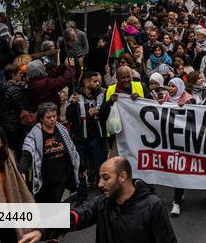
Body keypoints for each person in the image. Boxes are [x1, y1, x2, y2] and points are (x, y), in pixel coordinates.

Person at [19, 156, 177, 243]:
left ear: (122, 177)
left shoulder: (153, 205)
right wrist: (42, 231)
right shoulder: (102, 203)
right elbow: (76, 215)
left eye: (106, 178)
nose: (100, 184)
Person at [19, 102, 79, 203]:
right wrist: (22, 170)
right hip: (42, 180)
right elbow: (27, 153)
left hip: (60, 178)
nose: (52, 119)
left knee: (54, 204)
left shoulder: (62, 130)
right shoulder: (34, 134)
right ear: (41, 119)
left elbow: (70, 151)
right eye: (48, 117)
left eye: (54, 116)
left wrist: (76, 169)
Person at [66, 70, 106, 204]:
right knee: (80, 168)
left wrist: (99, 110)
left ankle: (102, 194)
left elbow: (106, 111)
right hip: (79, 139)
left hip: (95, 138)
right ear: (86, 82)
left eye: (99, 81)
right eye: (95, 81)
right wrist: (73, 105)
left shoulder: (100, 95)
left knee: (99, 166)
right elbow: (68, 117)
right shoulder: (75, 96)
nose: (98, 84)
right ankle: (82, 196)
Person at [0, 63, 30, 156]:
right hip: (14, 125)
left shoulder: (2, 87)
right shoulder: (15, 89)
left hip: (2, 123)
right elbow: (23, 105)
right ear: (13, 75)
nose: (21, 75)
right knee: (17, 150)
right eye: (19, 73)